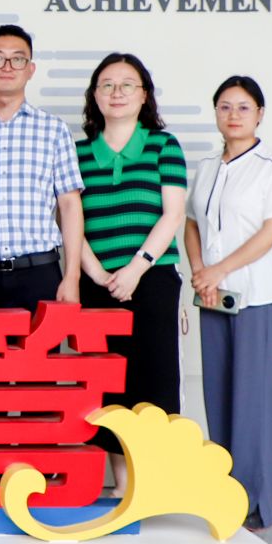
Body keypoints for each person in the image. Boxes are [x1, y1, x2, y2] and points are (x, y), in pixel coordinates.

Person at [184, 75, 272, 530]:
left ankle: (257, 502)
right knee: (220, 395)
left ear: (260, 114)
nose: (233, 115)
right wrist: (201, 272)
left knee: (255, 400)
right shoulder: (208, 166)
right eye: (225, 107)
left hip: (257, 297)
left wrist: (219, 270)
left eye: (243, 107)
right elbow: (192, 223)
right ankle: (226, 493)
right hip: (214, 297)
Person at [74, 52, 188, 487]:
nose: (116, 92)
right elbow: (70, 220)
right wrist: (96, 274)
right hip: (98, 284)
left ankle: (149, 487)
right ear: (94, 96)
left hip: (152, 280)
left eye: (127, 84)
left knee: (153, 382)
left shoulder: (163, 145)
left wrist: (136, 269)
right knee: (108, 388)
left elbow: (172, 215)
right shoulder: (78, 152)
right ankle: (122, 488)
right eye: (107, 84)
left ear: (144, 96)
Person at [0, 25, 85, 315]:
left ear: (30, 69)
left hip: (39, 275)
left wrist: (72, 276)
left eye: (17, 59)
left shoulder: (53, 129)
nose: (7, 67)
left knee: (43, 348)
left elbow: (69, 206)